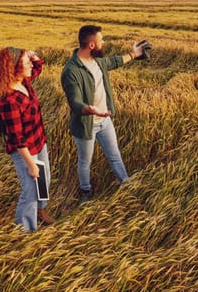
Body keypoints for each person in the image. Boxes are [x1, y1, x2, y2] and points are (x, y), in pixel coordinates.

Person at [60, 25, 150, 204]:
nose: (104, 43)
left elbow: (114, 61)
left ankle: (125, 185)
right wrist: (90, 110)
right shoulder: (71, 71)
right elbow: (75, 102)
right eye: (101, 41)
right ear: (92, 45)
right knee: (85, 162)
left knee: (114, 154)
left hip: (105, 121)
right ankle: (85, 191)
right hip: (87, 125)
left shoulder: (98, 61)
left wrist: (134, 54)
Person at [0, 46, 55, 232]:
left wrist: (34, 58)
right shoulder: (9, 101)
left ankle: (40, 211)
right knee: (30, 192)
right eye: (26, 63)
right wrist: (31, 165)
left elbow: (37, 69)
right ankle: (25, 230)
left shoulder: (23, 82)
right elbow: (18, 139)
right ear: (13, 68)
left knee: (45, 181)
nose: (30, 66)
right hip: (25, 151)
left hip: (38, 141)